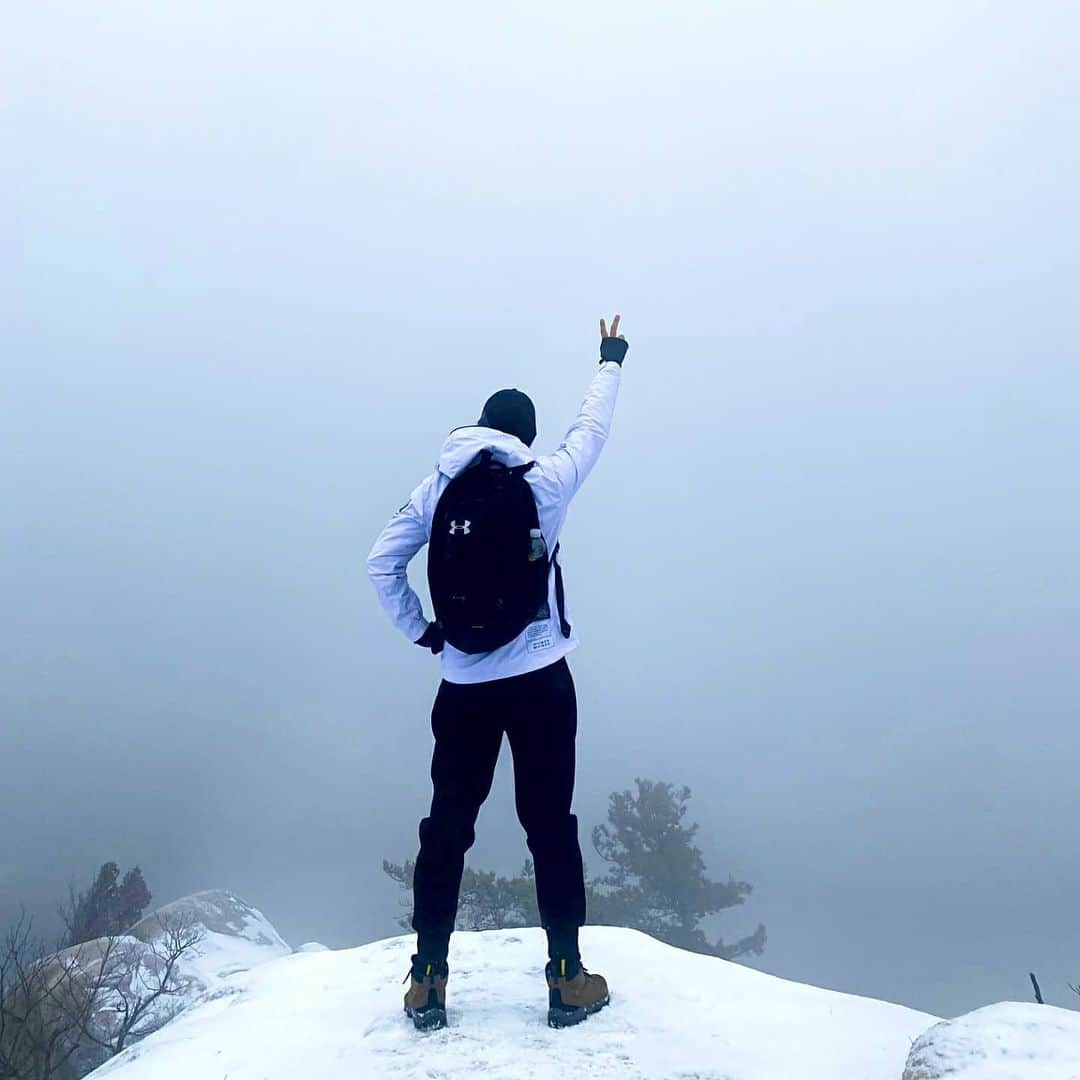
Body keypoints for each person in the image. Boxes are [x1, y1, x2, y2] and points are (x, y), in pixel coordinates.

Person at [367, 315, 629, 1030]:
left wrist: (424, 630)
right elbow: (592, 430)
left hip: (463, 687)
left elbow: (380, 562)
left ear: (479, 426)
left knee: (448, 824)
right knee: (549, 823)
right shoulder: (542, 481)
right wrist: (609, 360)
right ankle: (566, 977)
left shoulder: (435, 487)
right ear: (524, 437)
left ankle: (427, 978)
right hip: (542, 679)